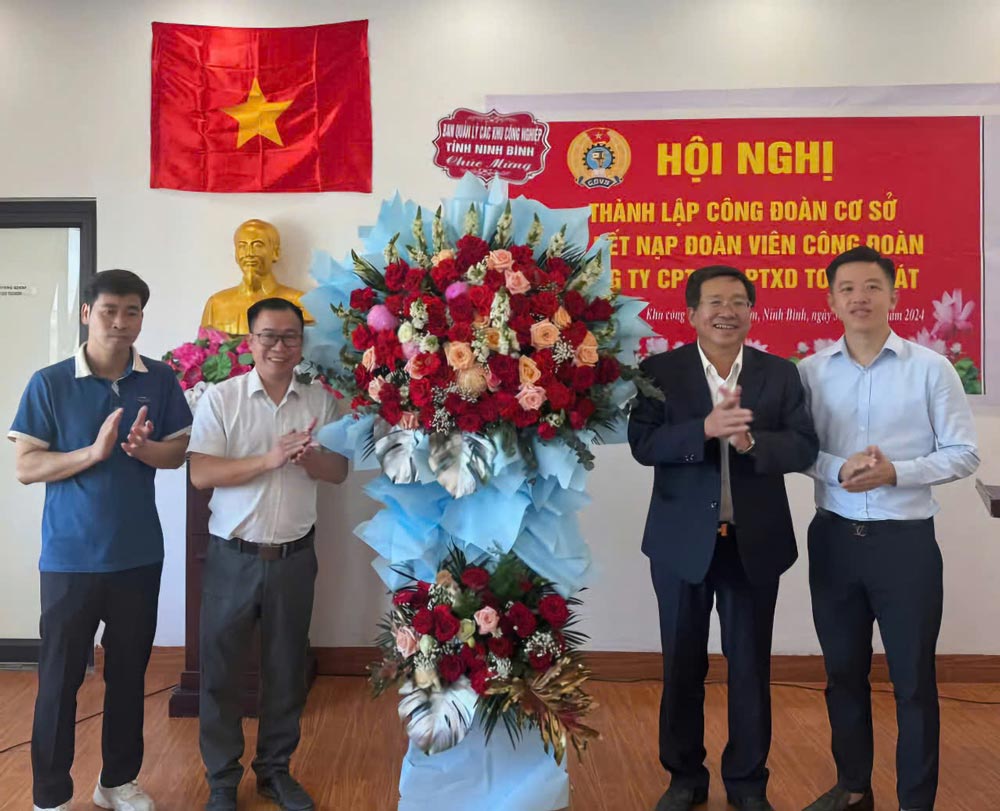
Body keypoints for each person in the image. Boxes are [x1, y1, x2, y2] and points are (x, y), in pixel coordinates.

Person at [628, 265, 819, 811]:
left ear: (752, 311)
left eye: (738, 301)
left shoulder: (779, 374)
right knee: (681, 662)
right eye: (714, 301)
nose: (726, 311)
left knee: (751, 665)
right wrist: (704, 432)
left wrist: (752, 442)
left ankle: (747, 782)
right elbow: (644, 443)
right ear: (692, 313)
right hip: (680, 543)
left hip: (752, 543)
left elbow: (804, 446)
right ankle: (684, 777)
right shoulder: (660, 372)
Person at [797, 247, 978, 811]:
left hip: (906, 547)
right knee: (842, 675)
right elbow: (802, 450)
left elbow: (964, 454)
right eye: (847, 288)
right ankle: (853, 788)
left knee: (914, 682)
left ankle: (915, 801)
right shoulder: (809, 372)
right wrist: (838, 468)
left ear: (894, 296)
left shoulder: (932, 368)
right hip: (834, 541)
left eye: (872, 287)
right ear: (830, 301)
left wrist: (896, 472)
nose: (860, 298)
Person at [8, 269, 192, 811]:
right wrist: (92, 452)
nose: (120, 321)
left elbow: (176, 452)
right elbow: (26, 466)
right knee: (59, 679)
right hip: (70, 558)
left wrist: (142, 450)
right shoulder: (50, 381)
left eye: (132, 311)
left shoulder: (159, 379)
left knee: (129, 675)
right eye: (110, 309)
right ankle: (49, 794)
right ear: (86, 312)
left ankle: (117, 783)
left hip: (138, 555)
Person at [188, 297, 347, 811]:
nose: (280, 346)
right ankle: (221, 780)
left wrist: (311, 457)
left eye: (290, 337)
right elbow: (202, 474)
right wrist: (270, 458)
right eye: (269, 336)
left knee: (285, 672)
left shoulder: (320, 402)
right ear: (250, 342)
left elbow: (340, 472)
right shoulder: (221, 398)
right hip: (233, 556)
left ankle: (275, 772)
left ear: (302, 343)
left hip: (295, 557)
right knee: (221, 673)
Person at [200, 219, 313, 335]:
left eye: (257, 245)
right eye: (242, 246)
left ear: (275, 253)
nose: (249, 253)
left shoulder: (300, 303)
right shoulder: (217, 304)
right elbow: (204, 347)